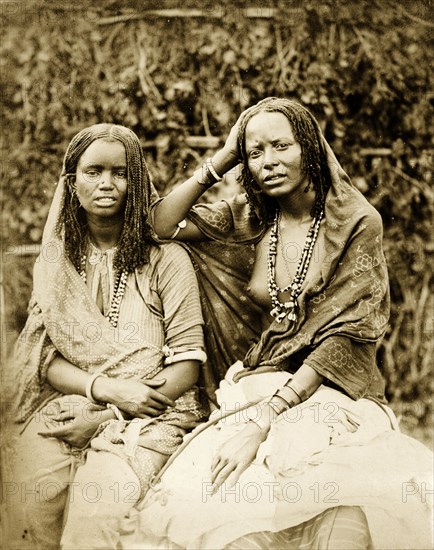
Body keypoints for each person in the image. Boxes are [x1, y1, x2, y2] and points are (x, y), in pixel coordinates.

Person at [131, 98, 433, 549]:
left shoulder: (356, 223)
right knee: (224, 514)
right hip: (257, 386)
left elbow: (344, 340)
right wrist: (221, 160)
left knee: (343, 508)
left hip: (334, 397)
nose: (268, 162)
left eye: (281, 146)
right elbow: (155, 226)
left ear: (309, 147)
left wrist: (264, 423)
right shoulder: (250, 218)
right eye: (255, 153)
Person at [3, 123, 207, 550]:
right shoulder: (60, 264)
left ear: (138, 182)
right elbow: (47, 359)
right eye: (94, 171)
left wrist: (115, 412)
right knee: (26, 500)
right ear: (71, 181)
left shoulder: (167, 259)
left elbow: (187, 364)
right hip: (78, 402)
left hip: (154, 415)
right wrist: (104, 389)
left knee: (92, 519)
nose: (107, 184)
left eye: (121, 172)